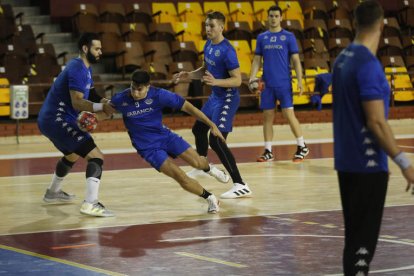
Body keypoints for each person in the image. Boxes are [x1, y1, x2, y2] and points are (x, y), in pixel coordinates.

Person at [332, 1, 414, 275]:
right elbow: (377, 122)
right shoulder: (368, 65)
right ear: (381, 24)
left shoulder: (342, 59)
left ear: (355, 23)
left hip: (346, 164)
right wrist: (405, 164)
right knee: (363, 248)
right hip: (367, 166)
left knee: (353, 242)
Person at [110, 69, 231, 214]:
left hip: (165, 137)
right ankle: (210, 198)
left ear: (148, 87)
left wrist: (212, 125)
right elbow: (104, 110)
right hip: (148, 148)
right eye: (133, 88)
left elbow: (188, 107)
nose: (135, 93)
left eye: (139, 90)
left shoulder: (159, 95)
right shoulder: (121, 99)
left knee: (198, 162)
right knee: (180, 176)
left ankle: (209, 169)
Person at [173, 11, 252, 199]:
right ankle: (202, 165)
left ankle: (241, 184)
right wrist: (189, 75)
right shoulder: (208, 45)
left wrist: (216, 82)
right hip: (215, 97)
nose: (207, 29)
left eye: (212, 26)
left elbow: (237, 81)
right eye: (206, 25)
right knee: (198, 129)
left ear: (222, 27)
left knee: (216, 140)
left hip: (228, 98)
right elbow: (206, 70)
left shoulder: (228, 50)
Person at [38, 33, 116, 217]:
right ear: (85, 48)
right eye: (97, 48)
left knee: (71, 155)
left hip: (49, 120)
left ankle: (52, 193)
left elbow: (91, 93)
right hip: (57, 120)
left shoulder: (84, 69)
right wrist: (102, 107)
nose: (100, 52)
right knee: (96, 156)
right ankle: (91, 203)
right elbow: (77, 102)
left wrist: (106, 102)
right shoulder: (77, 68)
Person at [249, 5, 309, 163]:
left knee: (289, 115)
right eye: (271, 16)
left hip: (284, 84)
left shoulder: (288, 37)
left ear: (281, 18)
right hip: (267, 84)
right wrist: (252, 77)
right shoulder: (262, 38)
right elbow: (256, 60)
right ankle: (268, 151)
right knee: (267, 117)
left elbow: (296, 60)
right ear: (267, 18)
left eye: (276, 16)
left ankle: (302, 146)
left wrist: (300, 81)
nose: (273, 18)